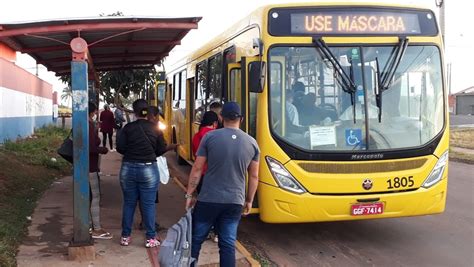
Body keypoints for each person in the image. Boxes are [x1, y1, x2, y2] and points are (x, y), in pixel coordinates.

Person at [185, 102, 260, 267]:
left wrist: (189, 194)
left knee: (196, 240)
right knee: (227, 243)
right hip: (234, 201)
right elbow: (254, 176)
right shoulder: (252, 143)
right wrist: (249, 201)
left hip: (208, 199)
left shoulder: (210, 137)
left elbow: (197, 168)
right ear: (241, 118)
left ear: (221, 117)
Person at [116, 99, 166, 248]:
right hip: (148, 169)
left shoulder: (127, 128)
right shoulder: (156, 128)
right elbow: (161, 149)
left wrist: (132, 153)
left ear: (134, 111)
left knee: (129, 203)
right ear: (148, 112)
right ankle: (151, 238)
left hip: (128, 168)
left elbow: (120, 148)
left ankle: (125, 236)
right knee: (148, 204)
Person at [88, 102, 112, 239]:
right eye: (95, 112)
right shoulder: (89, 125)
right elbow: (91, 147)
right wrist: (102, 150)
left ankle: (90, 226)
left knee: (89, 197)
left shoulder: (83, 124)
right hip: (90, 166)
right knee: (95, 196)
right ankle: (96, 228)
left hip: (85, 165)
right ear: (92, 112)